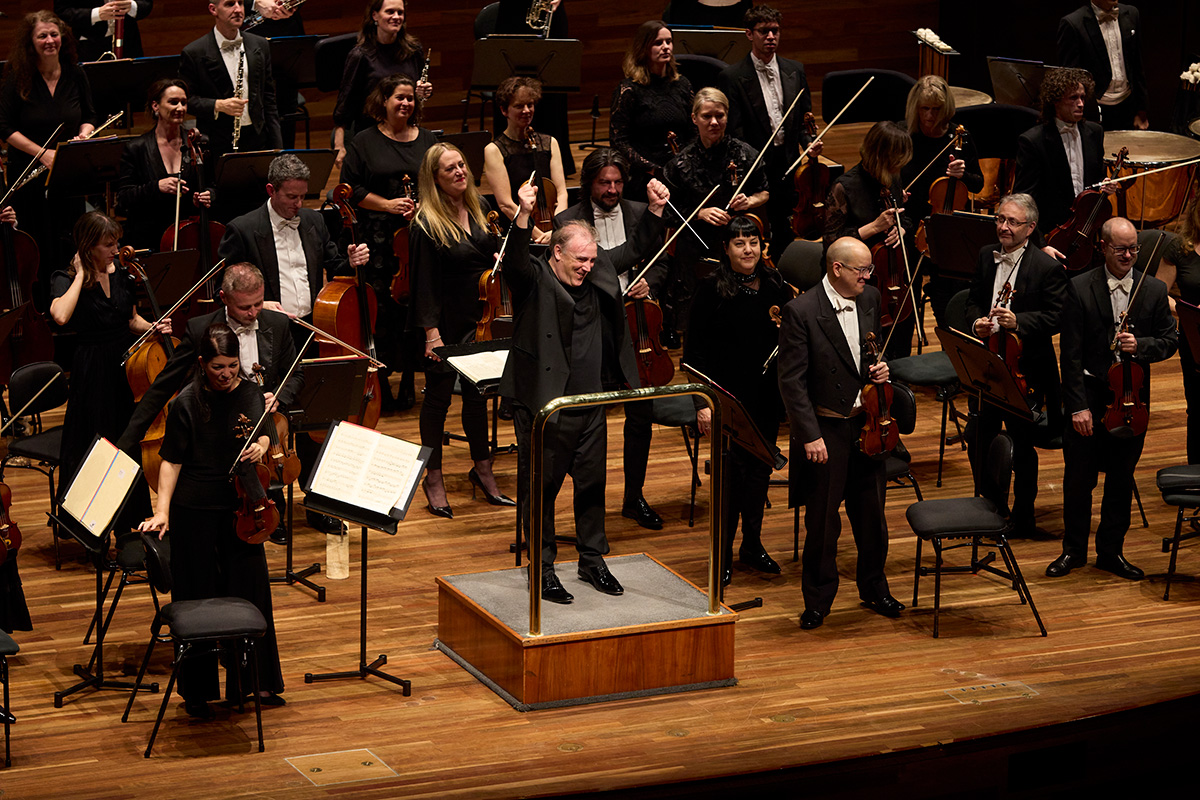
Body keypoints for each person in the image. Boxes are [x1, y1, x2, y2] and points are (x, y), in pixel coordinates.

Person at [501, 184, 670, 604]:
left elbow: (634, 250)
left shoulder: (597, 267)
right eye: (580, 260)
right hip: (545, 405)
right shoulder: (534, 276)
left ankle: (592, 559)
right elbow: (514, 264)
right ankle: (541, 567)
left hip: (590, 402)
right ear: (556, 252)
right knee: (541, 488)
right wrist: (523, 214)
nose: (588, 267)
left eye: (592, 259)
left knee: (592, 485)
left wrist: (653, 210)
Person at [138, 322, 285, 718]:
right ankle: (199, 692)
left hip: (244, 509)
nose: (226, 374)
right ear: (203, 364)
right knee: (197, 597)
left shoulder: (251, 392)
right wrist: (163, 510)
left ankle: (254, 683)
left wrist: (262, 445)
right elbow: (171, 461)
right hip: (195, 510)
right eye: (218, 367)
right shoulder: (187, 401)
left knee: (251, 591)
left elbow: (264, 431)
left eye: (233, 366)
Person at [777, 236, 902, 630]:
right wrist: (809, 434)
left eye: (869, 270)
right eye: (862, 270)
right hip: (826, 428)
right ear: (837, 269)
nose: (869, 276)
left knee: (871, 516)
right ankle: (818, 600)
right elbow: (791, 382)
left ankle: (874, 587)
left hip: (867, 425)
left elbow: (870, 351)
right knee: (823, 522)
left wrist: (881, 370)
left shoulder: (869, 298)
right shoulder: (801, 311)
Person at [117, 264, 305, 519]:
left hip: (261, 430)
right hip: (213, 434)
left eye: (258, 304)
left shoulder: (278, 324)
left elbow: (295, 373)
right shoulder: (199, 329)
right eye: (244, 307)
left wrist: (279, 398)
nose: (253, 313)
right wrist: (126, 442)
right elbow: (164, 384)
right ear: (224, 299)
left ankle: (267, 509)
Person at [1049, 217, 1177, 580]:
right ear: (1103, 247)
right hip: (1089, 393)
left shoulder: (1151, 290)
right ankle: (1073, 551)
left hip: (1131, 399)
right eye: (1120, 248)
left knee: (1121, 480)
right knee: (1078, 481)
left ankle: (1111, 552)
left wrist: (1143, 346)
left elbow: (1170, 341)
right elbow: (1069, 355)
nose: (1128, 255)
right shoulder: (1078, 288)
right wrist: (1077, 406)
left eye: (1133, 248)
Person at [555, 148, 668, 531]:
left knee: (641, 412)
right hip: (592, 328)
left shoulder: (638, 211)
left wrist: (650, 282)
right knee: (587, 419)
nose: (612, 189)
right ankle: (587, 505)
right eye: (605, 182)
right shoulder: (567, 222)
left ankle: (634, 496)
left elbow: (661, 257)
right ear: (589, 183)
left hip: (636, 325)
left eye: (618, 181)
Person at [409, 143, 517, 518]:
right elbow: (422, 285)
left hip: (482, 318)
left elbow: (496, 253)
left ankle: (483, 469)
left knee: (477, 397)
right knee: (438, 400)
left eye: (462, 165)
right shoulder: (425, 223)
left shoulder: (481, 208)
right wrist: (432, 335)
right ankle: (433, 477)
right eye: (449, 169)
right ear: (435, 179)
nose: (460, 172)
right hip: (445, 323)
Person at [684, 216, 790, 585]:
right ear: (726, 249)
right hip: (727, 398)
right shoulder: (711, 288)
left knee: (760, 471)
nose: (748, 250)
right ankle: (723, 552)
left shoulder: (776, 285)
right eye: (739, 243)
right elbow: (693, 351)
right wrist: (702, 404)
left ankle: (752, 544)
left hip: (766, 395)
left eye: (753, 242)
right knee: (731, 477)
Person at [49, 212, 166, 525]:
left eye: (116, 241)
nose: (116, 249)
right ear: (89, 248)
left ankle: (130, 523)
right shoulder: (64, 277)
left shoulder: (122, 274)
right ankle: (91, 523)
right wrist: (79, 275)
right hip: (92, 368)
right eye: (108, 244)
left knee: (126, 442)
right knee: (95, 444)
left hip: (125, 367)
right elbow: (60, 316)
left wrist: (152, 328)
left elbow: (130, 319)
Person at [964, 193, 1067, 532]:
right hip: (986, 364)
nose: (1003, 227)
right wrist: (976, 321)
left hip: (1025, 371)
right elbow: (973, 300)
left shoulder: (1046, 267)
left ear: (1031, 227)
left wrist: (1018, 321)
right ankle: (991, 506)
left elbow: (1056, 317)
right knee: (978, 435)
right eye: (1000, 219)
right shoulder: (984, 256)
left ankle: (1024, 517)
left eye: (1012, 222)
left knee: (1022, 445)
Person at [339, 74, 435, 411]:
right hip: (377, 237)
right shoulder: (364, 142)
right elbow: (350, 189)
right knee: (382, 311)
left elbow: (436, 183)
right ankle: (381, 381)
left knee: (414, 307)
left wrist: (426, 205)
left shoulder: (427, 140)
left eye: (411, 98)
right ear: (384, 102)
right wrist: (388, 205)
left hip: (418, 235)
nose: (406, 103)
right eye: (399, 97)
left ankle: (410, 377)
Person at [0, 10, 97, 298]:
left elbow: (89, 114)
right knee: (39, 240)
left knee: (71, 238)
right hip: (29, 174)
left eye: (54, 34)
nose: (49, 40)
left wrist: (86, 132)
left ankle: (71, 303)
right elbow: (4, 127)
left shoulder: (74, 72)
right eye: (42, 35)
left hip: (69, 173)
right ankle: (41, 305)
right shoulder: (18, 77)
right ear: (31, 42)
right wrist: (42, 153)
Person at [664, 87, 768, 340]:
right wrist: (699, 213)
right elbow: (668, 210)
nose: (714, 122)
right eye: (707, 116)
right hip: (697, 244)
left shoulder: (745, 154)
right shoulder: (680, 163)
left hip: (737, 241)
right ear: (694, 118)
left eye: (720, 116)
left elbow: (764, 192)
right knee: (699, 311)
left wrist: (749, 201)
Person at [218, 153, 367, 328]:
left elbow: (335, 269)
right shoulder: (242, 230)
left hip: (311, 326)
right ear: (271, 190)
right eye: (291, 197)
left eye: (302, 196)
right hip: (266, 328)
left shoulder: (314, 221)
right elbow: (222, 292)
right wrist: (259, 305)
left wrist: (350, 262)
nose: (299, 204)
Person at [717, 4, 817, 257]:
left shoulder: (795, 70)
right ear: (749, 34)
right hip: (755, 166)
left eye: (775, 31)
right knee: (755, 229)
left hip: (789, 162)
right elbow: (735, 132)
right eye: (764, 32)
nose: (771, 37)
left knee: (786, 226)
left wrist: (810, 142)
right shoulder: (732, 76)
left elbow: (805, 119)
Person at [824, 120, 914, 360]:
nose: (899, 167)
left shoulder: (892, 178)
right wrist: (874, 227)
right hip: (857, 280)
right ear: (880, 155)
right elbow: (830, 243)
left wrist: (901, 230)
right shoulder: (844, 187)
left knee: (904, 323)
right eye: (895, 160)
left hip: (892, 273)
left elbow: (905, 219)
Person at [900, 75, 985, 326]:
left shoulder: (959, 138)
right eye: (924, 109)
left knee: (947, 295)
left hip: (944, 228)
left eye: (936, 109)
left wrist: (963, 175)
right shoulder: (905, 135)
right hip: (909, 222)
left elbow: (977, 183)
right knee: (906, 288)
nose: (929, 116)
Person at [1013, 67, 1115, 238]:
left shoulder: (1094, 133)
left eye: (1082, 97)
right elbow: (1024, 200)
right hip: (1050, 233)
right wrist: (1041, 244)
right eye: (1073, 98)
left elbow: (1096, 179)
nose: (1081, 103)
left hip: (1086, 231)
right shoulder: (1033, 141)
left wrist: (1106, 186)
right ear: (1056, 101)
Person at [115, 78, 214, 253]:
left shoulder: (199, 143)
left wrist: (208, 196)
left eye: (184, 103)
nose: (180, 108)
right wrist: (156, 187)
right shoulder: (136, 148)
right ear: (155, 106)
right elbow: (123, 199)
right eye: (173, 102)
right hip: (148, 240)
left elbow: (213, 186)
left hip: (190, 237)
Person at [332, 0, 432, 169]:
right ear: (374, 15)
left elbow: (418, 93)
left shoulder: (413, 51)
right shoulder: (360, 55)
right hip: (371, 134)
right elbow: (345, 102)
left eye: (400, 13)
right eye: (390, 12)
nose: (396, 17)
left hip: (406, 132)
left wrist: (424, 91)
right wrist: (339, 145)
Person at [179, 0, 282, 163]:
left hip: (258, 139)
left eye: (240, 3)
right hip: (216, 142)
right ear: (213, 10)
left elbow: (268, 98)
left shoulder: (260, 44)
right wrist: (218, 105)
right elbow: (187, 101)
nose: (238, 9)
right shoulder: (194, 52)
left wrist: (278, 146)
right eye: (229, 4)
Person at [610, 20, 695, 202]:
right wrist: (652, 169)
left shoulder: (683, 85)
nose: (665, 47)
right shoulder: (629, 90)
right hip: (645, 176)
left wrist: (685, 161)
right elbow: (619, 141)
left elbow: (694, 129)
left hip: (682, 171)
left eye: (668, 42)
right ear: (644, 48)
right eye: (658, 43)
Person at [483, 76, 568, 244]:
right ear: (504, 110)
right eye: (519, 106)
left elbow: (562, 193)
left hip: (553, 231)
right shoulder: (494, 150)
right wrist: (537, 235)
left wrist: (555, 230)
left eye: (530, 104)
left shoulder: (550, 143)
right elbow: (506, 204)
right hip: (518, 231)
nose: (526, 110)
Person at [1153, 197, 1200, 462]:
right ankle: (1197, 472)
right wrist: (1186, 309)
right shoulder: (1179, 249)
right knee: (1198, 408)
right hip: (1195, 335)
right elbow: (1160, 293)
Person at [1057, 1, 1148, 131]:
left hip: (1128, 104)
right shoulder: (1073, 23)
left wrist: (1141, 110)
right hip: (1095, 109)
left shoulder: (1132, 14)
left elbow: (1138, 65)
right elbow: (1070, 78)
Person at [54, 0, 153, 62]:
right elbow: (62, 11)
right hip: (89, 45)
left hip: (129, 43)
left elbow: (147, 3)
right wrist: (96, 14)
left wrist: (132, 6)